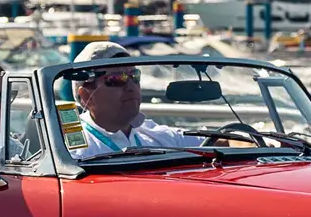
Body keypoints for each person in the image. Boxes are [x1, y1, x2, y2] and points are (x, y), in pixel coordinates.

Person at [70, 40, 208, 158]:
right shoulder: (71, 151)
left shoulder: (154, 134)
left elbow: (218, 143)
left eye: (134, 76)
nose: (131, 86)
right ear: (86, 96)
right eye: (116, 79)